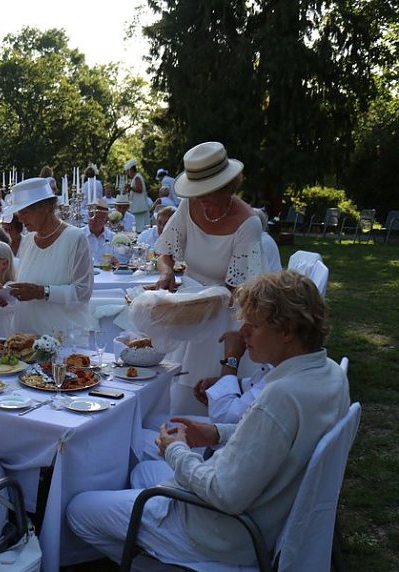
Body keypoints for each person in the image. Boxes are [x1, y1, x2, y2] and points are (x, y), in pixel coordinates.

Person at [67, 270, 349, 569]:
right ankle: (157, 551)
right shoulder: (328, 373)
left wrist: (176, 450)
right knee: (142, 473)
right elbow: (274, 438)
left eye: (253, 325)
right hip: (257, 511)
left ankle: (163, 561)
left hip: (221, 534)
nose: (243, 333)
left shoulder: (282, 397)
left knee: (78, 510)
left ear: (288, 331)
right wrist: (215, 433)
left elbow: (225, 494)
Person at [152, 142, 264, 413]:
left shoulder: (248, 223)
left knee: (206, 394)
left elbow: (241, 288)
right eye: (196, 192)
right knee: (170, 386)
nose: (200, 200)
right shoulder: (189, 206)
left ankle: (205, 441)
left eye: (207, 193)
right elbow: (164, 250)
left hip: (224, 313)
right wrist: (167, 273)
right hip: (190, 308)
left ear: (227, 187)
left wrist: (197, 304)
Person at [4, 177, 93, 335]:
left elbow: (83, 292)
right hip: (24, 337)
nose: (20, 218)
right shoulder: (28, 240)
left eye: (25, 211)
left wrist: (42, 292)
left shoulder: (75, 238)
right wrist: (7, 293)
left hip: (61, 338)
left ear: (44, 207)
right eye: (18, 213)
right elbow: (26, 284)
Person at [83, 198, 115, 264]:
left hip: (107, 272)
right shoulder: (80, 235)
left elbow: (118, 260)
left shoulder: (112, 237)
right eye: (91, 216)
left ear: (105, 220)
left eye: (98, 217)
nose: (93, 220)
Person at [124, 159, 151, 231]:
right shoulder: (135, 178)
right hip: (138, 207)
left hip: (139, 207)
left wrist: (130, 188)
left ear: (131, 170)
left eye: (128, 171)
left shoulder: (137, 177)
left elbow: (139, 189)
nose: (128, 173)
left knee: (140, 225)